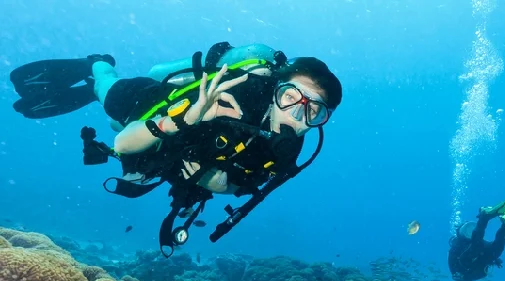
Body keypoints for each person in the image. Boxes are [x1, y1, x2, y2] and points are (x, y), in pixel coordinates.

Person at [9, 42, 342, 256]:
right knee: (111, 104)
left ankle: (93, 86)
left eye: (313, 111)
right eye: (290, 98)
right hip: (156, 107)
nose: (297, 114)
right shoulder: (228, 93)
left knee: (125, 134)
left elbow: (247, 186)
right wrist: (186, 118)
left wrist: (217, 182)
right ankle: (96, 65)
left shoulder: (290, 151)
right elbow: (123, 144)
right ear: (274, 91)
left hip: (170, 155)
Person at [448, 186, 505, 281]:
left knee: (477, 248)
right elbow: (481, 272)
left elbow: (476, 249)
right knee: (496, 250)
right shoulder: (459, 254)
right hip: (476, 258)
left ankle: (484, 217)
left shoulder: (458, 249)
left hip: (469, 259)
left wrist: (464, 278)